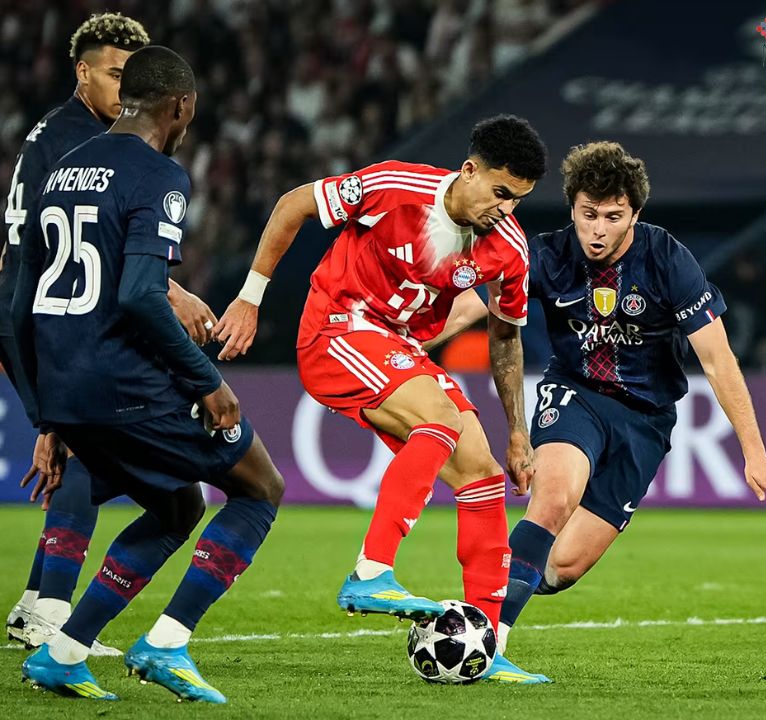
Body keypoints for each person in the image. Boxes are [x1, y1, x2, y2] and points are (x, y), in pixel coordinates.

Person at [214, 114, 549, 683]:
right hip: (335, 328)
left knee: (483, 472)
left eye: (517, 200)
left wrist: (518, 429)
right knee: (440, 418)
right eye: (499, 193)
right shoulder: (395, 187)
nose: (506, 210)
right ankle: (371, 571)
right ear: (468, 171)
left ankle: (485, 646)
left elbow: (506, 335)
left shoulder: (508, 250)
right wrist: (250, 297)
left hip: (398, 347)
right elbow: (293, 205)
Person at [11, 46, 283, 703]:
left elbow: (20, 302)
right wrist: (205, 380)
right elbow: (138, 293)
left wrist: (47, 416)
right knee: (259, 486)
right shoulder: (159, 175)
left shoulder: (64, 170)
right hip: (122, 382)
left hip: (64, 384)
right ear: (180, 106)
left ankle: (64, 652)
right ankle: (167, 643)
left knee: (179, 503)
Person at [486, 141, 766, 679]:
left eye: (613, 216)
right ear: (572, 209)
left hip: (645, 420)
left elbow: (718, 359)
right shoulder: (547, 253)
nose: (598, 230)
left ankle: (493, 579)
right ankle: (486, 641)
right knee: (553, 497)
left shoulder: (667, 258)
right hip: (574, 394)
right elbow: (475, 304)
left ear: (635, 214)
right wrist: (408, 343)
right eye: (588, 215)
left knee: (562, 567)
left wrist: (756, 453)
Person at [0, 12, 216, 653]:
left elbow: (30, 236)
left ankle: (35, 602)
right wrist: (177, 291)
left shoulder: (62, 135)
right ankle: (51, 611)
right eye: (113, 74)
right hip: (47, 313)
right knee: (81, 452)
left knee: (83, 452)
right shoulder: (78, 141)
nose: (124, 86)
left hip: (28, 306)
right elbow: (80, 252)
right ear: (82, 73)